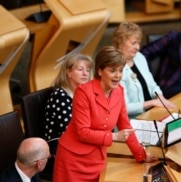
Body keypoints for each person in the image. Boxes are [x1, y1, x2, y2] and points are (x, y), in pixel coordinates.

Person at [53, 46, 157, 182]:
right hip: (73, 160)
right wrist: (113, 136)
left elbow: (125, 126)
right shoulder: (83, 92)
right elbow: (83, 132)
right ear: (100, 71)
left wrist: (141, 155)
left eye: (120, 70)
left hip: (98, 159)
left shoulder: (119, 91)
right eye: (112, 70)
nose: (118, 75)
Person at [112, 21, 175, 119]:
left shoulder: (139, 57)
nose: (137, 47)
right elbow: (124, 107)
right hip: (133, 121)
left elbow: (153, 85)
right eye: (133, 43)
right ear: (120, 43)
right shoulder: (115, 68)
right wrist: (152, 102)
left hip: (153, 112)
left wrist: (160, 97)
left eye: (138, 43)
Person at [44, 53, 93, 155]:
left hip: (82, 139)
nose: (85, 74)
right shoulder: (60, 95)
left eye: (87, 70)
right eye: (80, 69)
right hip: (60, 144)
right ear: (69, 72)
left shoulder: (84, 93)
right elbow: (69, 128)